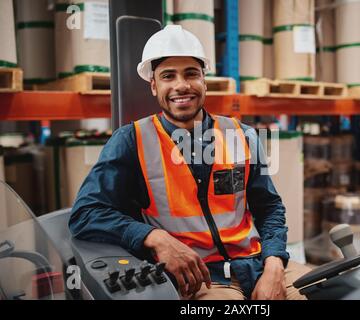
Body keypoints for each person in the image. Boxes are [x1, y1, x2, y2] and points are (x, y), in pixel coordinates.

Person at [69, 25, 311, 300]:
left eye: (191, 74)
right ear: (154, 86)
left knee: (331, 290)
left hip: (258, 263)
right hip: (202, 278)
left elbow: (269, 208)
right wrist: (154, 237)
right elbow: (85, 214)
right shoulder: (130, 141)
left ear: (204, 81)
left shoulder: (242, 134)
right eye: (168, 76)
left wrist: (275, 264)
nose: (181, 85)